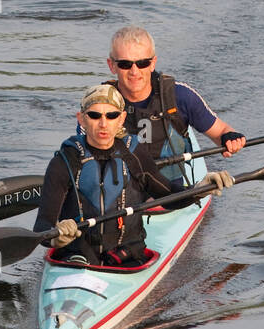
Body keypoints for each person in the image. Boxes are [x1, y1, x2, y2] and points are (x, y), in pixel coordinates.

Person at [34, 83, 232, 266]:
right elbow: (42, 225)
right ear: (82, 119)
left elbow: (169, 196)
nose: (103, 123)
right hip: (77, 256)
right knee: (76, 254)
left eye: (111, 116)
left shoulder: (134, 154)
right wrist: (55, 236)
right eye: (95, 116)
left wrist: (201, 188)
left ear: (121, 119)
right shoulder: (64, 162)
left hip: (126, 256)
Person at [105, 26, 246, 171]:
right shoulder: (99, 103)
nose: (134, 71)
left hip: (174, 190)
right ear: (112, 66)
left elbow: (221, 131)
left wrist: (229, 139)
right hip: (121, 189)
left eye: (142, 63)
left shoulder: (180, 96)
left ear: (153, 63)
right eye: (125, 64)